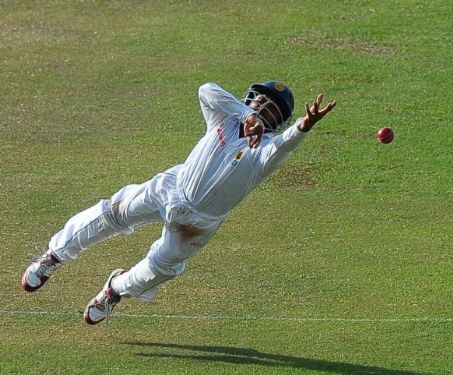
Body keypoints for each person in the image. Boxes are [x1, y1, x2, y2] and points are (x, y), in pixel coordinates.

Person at [21, 80, 336, 325]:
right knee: (113, 213)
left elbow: (286, 144)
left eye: (272, 110)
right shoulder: (223, 118)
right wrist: (247, 115)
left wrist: (305, 125)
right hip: (170, 188)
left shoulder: (265, 153)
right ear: (249, 99)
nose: (264, 108)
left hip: (198, 224)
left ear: (278, 122)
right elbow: (206, 90)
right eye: (261, 101)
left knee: (162, 267)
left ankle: (113, 291)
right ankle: (54, 256)